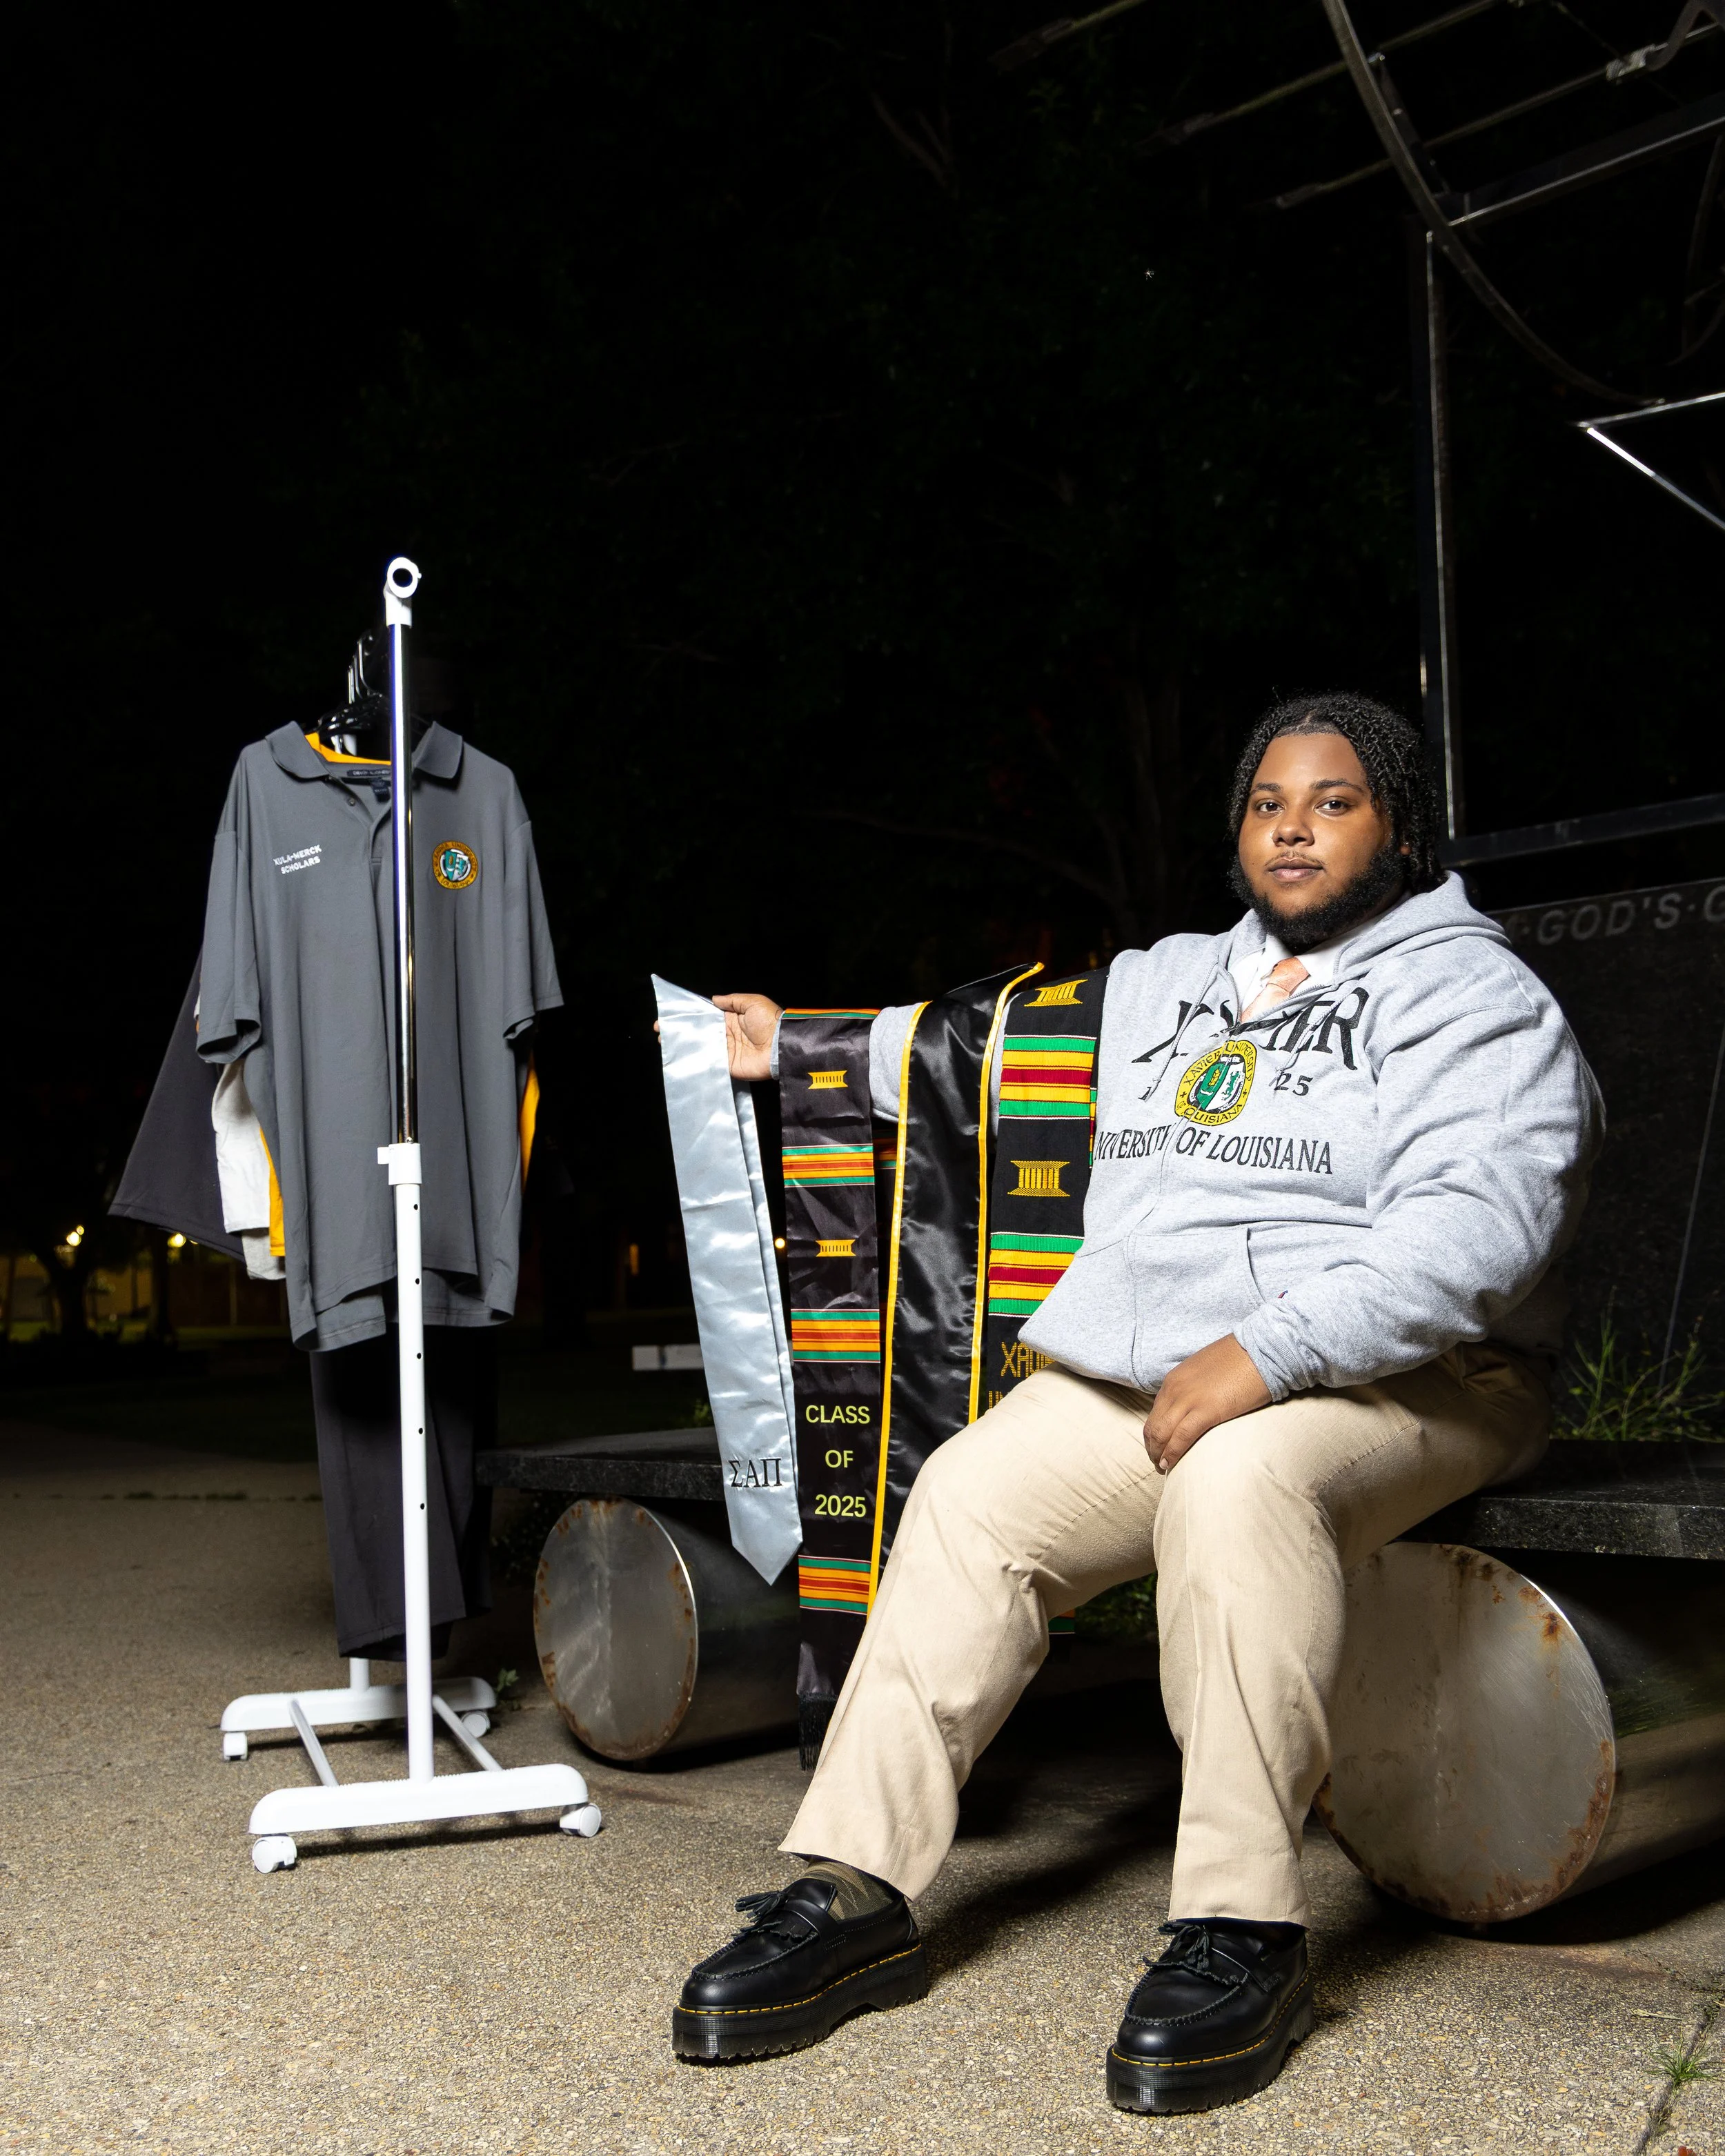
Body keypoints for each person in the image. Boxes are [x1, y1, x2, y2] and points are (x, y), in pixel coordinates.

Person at [671, 692, 1601, 2115]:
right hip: (1172, 1376)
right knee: (974, 1485)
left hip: (1420, 1375)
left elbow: (1477, 1232)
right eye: (1265, 801)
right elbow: (980, 1048)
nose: (1291, 825)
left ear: (1396, 825)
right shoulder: (1168, 978)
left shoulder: (1471, 996)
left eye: (1331, 799)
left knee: (1237, 1479)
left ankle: (1242, 1926)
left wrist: (1266, 1350)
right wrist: (791, 1044)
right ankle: (853, 1885)